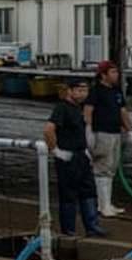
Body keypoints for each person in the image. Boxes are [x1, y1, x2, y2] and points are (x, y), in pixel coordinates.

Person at [43, 78, 105, 237]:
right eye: (79, 90)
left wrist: (86, 150)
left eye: (85, 90)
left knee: (89, 190)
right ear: (69, 91)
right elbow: (49, 129)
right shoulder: (62, 108)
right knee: (68, 194)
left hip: (81, 154)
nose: (83, 93)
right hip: (67, 156)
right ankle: (69, 229)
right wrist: (55, 150)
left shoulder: (79, 108)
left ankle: (92, 226)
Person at [84, 60, 132, 218]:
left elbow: (123, 111)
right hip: (102, 132)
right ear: (103, 75)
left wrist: (129, 130)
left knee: (112, 167)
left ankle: (107, 203)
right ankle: (102, 205)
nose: (116, 75)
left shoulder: (116, 91)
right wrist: (89, 132)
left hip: (115, 132)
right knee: (102, 167)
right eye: (113, 72)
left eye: (116, 72)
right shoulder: (95, 91)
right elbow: (88, 111)